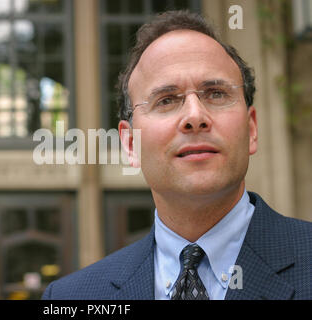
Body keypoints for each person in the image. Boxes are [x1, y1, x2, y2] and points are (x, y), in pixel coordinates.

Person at [42, 10, 312, 300]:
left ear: (251, 129)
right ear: (131, 144)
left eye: (216, 93)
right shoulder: (73, 298)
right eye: (167, 100)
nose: (195, 116)